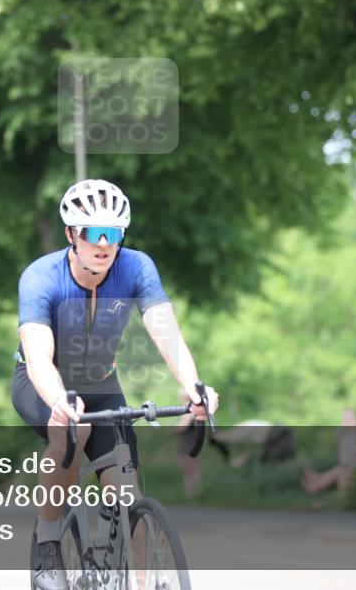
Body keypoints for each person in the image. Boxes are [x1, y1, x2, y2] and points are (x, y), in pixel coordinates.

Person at [11, 179, 219, 590]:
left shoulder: (136, 267)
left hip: (101, 382)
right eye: (94, 232)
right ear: (72, 234)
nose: (105, 243)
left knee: (125, 493)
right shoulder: (41, 277)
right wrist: (58, 401)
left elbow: (167, 334)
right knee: (74, 429)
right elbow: (37, 356)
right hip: (42, 381)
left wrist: (194, 387)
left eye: (115, 232)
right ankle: (48, 539)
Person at [301, 408, 356, 495]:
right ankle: (318, 479)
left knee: (339, 470)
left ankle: (316, 484)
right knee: (339, 469)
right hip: (348, 467)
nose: (346, 422)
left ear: (355, 419)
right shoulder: (345, 435)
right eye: (344, 419)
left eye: (348, 419)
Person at [172, 390, 203, 498]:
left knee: (189, 469)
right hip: (190, 442)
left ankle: (192, 493)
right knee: (192, 469)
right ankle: (194, 493)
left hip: (188, 444)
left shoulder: (189, 408)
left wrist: (171, 431)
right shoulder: (195, 408)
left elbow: (182, 426)